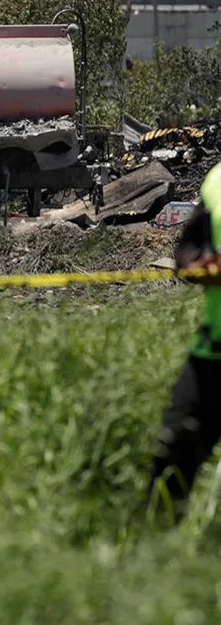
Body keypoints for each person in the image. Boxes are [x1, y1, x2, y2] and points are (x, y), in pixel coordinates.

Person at [147, 162, 221, 523]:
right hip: (211, 353)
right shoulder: (217, 181)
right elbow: (188, 249)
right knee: (171, 456)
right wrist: (198, 265)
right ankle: (158, 556)